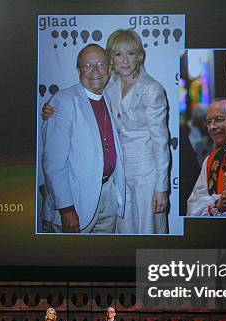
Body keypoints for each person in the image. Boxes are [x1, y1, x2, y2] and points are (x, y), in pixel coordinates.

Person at [42, 29, 171, 234]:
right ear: (111, 59)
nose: (125, 60)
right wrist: (50, 108)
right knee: (122, 236)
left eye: (130, 53)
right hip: (118, 177)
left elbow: (161, 142)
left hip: (146, 174)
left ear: (139, 56)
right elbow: (79, 97)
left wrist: (161, 187)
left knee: (147, 233)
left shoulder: (151, 89)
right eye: (118, 54)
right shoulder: (108, 85)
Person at [41, 44, 126, 233]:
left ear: (109, 69)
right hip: (75, 202)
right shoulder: (62, 101)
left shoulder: (109, 99)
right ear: (79, 70)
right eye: (87, 66)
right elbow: (53, 163)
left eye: (100, 65)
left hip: (108, 197)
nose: (95, 71)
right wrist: (66, 209)